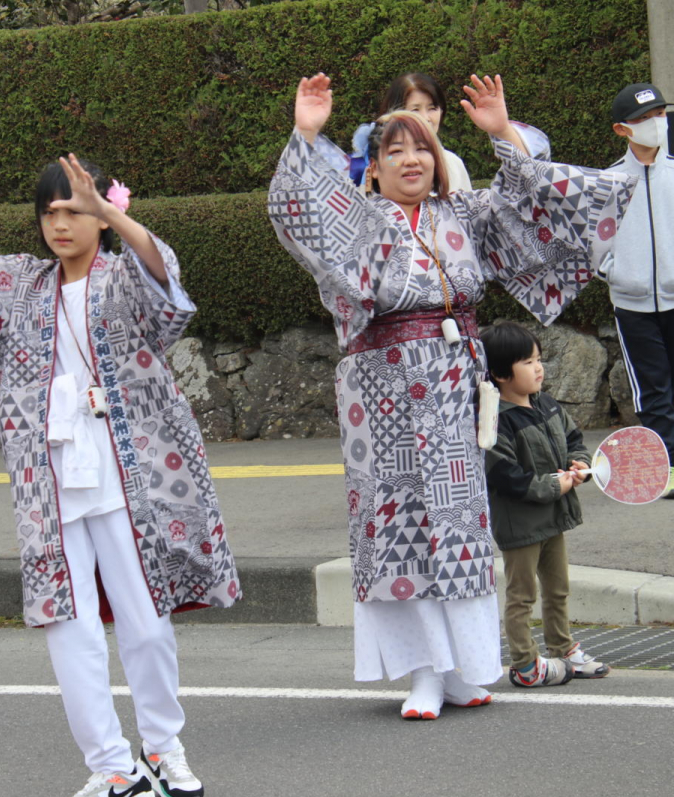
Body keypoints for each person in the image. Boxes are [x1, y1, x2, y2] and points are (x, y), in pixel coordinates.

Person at [269, 72, 634, 719]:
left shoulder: (464, 213)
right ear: (374, 169)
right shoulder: (360, 221)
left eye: (422, 150)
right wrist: (305, 134)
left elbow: (537, 210)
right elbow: (299, 214)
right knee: (398, 526)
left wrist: (502, 136)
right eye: (395, 152)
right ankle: (424, 673)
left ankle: (465, 669)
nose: (411, 160)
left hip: (450, 384)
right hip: (378, 392)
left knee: (458, 525)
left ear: (438, 162)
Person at [0, 153, 238, 797]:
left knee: (147, 624)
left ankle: (163, 748)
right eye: (51, 213)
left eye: (75, 210)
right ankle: (112, 767)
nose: (61, 224)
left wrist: (117, 220)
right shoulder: (20, 286)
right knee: (69, 630)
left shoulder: (126, 278)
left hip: (134, 479)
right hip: (51, 480)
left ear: (103, 213)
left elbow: (168, 284)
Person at [600, 82, 674, 498]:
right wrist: (615, 273)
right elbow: (592, 243)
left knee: (673, 385)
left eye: (659, 114)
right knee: (653, 385)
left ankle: (659, 454)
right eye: (644, 119)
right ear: (622, 129)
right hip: (631, 303)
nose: (655, 123)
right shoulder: (608, 181)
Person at [481, 322, 608, 687]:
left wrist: (579, 463)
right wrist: (556, 484)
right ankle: (524, 664)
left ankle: (562, 649)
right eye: (528, 362)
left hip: (553, 517)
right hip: (521, 525)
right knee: (522, 595)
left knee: (558, 588)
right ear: (501, 374)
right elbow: (506, 477)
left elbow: (573, 438)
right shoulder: (495, 423)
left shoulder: (546, 404)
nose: (539, 368)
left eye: (539, 359)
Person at [377, 72, 473, 193]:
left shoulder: (453, 164)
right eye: (415, 110)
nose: (426, 118)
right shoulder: (381, 165)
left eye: (432, 108)